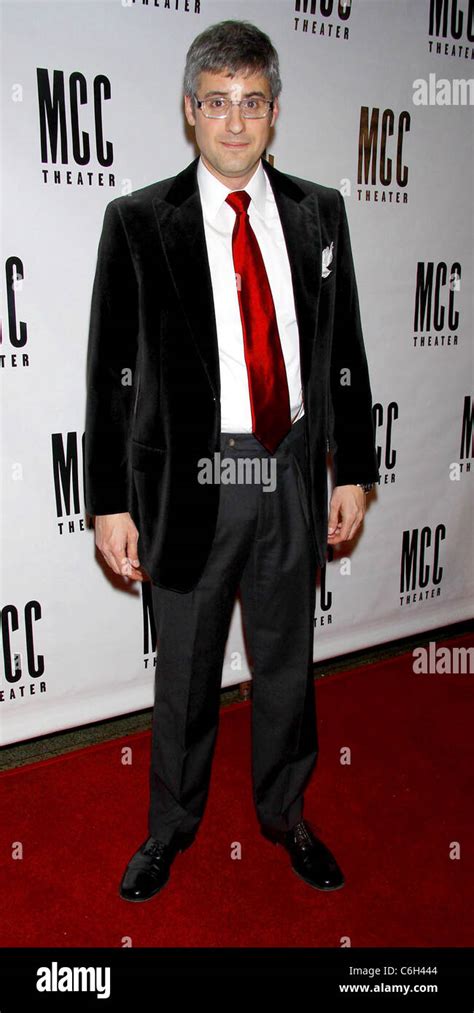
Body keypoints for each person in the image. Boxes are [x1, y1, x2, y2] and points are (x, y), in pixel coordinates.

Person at [84, 19, 379, 903]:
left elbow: (347, 351)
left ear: (274, 112)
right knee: (186, 668)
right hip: (194, 475)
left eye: (252, 103)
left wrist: (354, 468)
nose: (236, 121)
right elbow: (109, 376)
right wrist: (108, 500)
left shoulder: (320, 212)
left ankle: (286, 813)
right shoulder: (138, 222)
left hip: (288, 464)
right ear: (190, 111)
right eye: (218, 103)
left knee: (288, 656)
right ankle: (169, 828)